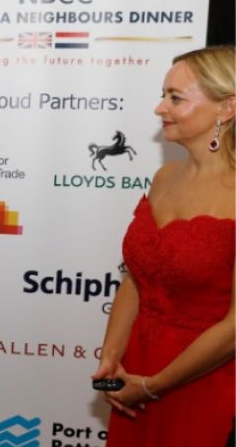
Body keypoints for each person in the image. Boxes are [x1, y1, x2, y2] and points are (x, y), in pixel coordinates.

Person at [92, 45, 235, 446]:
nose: (159, 108)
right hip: (136, 370)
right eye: (162, 95)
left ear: (227, 108)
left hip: (205, 380)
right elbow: (137, 277)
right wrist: (111, 357)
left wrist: (154, 385)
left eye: (175, 98)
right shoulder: (164, 177)